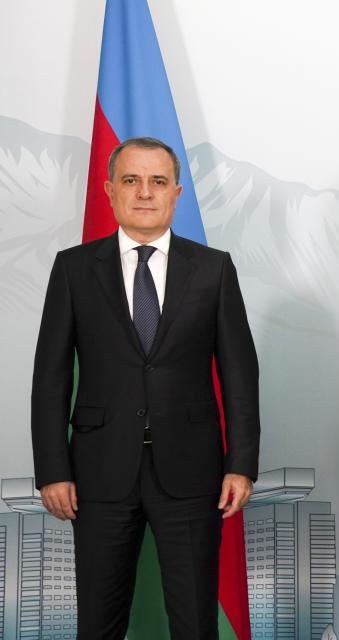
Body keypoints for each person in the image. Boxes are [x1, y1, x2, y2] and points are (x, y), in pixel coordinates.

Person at [31, 137, 260, 639]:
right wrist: (52, 470)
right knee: (98, 621)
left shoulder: (213, 268)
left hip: (193, 473)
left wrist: (240, 463)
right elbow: (50, 375)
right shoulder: (73, 269)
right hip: (98, 473)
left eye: (158, 181)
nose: (144, 192)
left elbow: (240, 374)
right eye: (131, 180)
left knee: (195, 622)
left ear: (176, 193)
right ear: (110, 190)